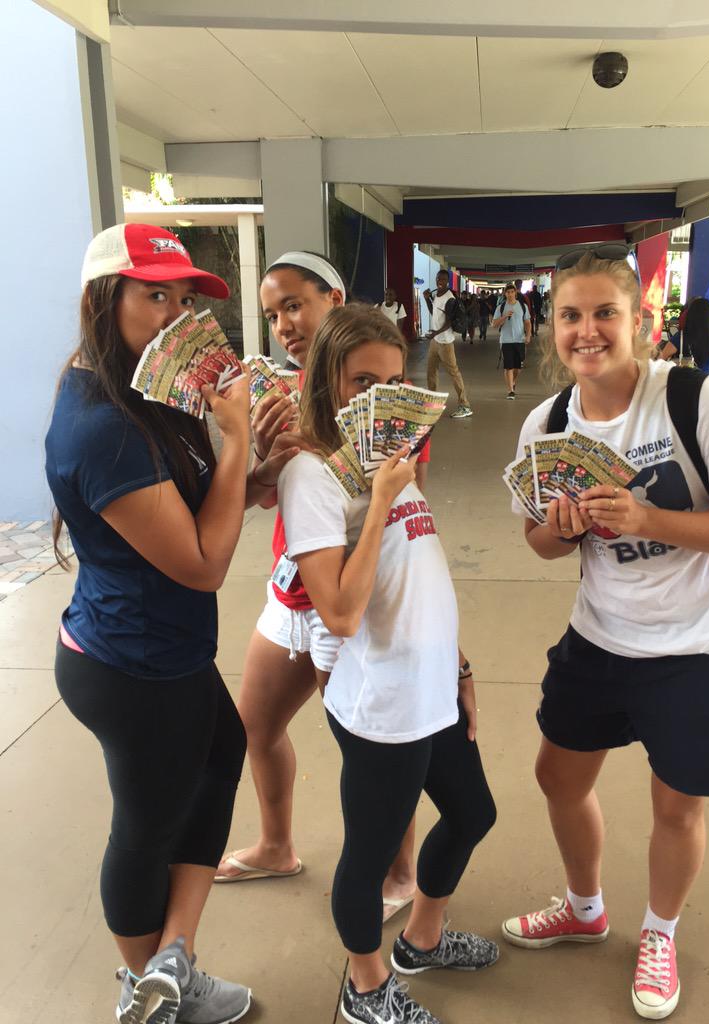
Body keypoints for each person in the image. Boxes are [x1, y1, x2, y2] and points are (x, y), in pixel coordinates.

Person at [502, 247, 709, 1021]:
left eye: (604, 313)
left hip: (700, 644)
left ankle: (659, 932)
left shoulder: (700, 401)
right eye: (571, 316)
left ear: (639, 321)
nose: (587, 331)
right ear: (552, 328)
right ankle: (585, 908)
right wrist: (561, 530)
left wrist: (650, 518)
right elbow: (538, 544)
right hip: (602, 634)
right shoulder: (547, 423)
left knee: (676, 806)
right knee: (559, 777)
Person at [45, 223, 298, 1024]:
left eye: (182, 298)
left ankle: (170, 962)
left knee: (222, 753)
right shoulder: (104, 426)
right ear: (101, 301)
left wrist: (261, 466)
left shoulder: (145, 395)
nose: (173, 317)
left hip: (166, 652)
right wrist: (232, 440)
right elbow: (202, 563)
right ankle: (147, 988)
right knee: (147, 829)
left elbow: (201, 507)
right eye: (153, 294)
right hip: (134, 666)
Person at [279, 304, 498, 1024]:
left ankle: (422, 939)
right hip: (381, 703)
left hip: (432, 682)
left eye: (397, 379)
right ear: (328, 383)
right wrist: (376, 504)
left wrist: (460, 667)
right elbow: (339, 611)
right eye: (362, 382)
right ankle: (363, 985)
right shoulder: (313, 475)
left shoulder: (398, 455)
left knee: (472, 812)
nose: (382, 397)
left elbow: (419, 572)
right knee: (370, 855)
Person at [216, 252, 428, 924]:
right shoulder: (278, 394)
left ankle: (401, 873)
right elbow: (257, 502)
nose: (283, 324)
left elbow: (404, 513)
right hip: (290, 593)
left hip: (349, 606)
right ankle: (277, 844)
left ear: (332, 297)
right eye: (272, 313)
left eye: (294, 305)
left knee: (374, 755)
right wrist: (265, 458)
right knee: (254, 725)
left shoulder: (385, 396)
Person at [424, 270, 473, 419]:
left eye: (443, 279)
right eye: (438, 278)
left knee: (454, 373)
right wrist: (427, 299)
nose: (440, 281)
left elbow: (449, 323)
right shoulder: (436, 294)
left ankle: (465, 406)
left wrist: (435, 333)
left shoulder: (450, 298)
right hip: (435, 342)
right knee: (431, 372)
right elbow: (435, 313)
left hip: (445, 342)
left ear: (448, 281)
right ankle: (433, 403)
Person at [659, 296, 709, 375]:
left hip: (681, 382)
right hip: (704, 384)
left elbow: (661, 359)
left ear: (690, 315)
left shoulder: (681, 337)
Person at [493, 282, 531, 399]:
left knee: (518, 368)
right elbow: (494, 324)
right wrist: (504, 316)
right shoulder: (501, 308)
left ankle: (513, 381)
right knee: (508, 366)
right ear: (505, 294)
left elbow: (527, 322)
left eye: (512, 292)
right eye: (508, 292)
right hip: (506, 340)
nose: (510, 294)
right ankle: (510, 391)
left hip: (519, 340)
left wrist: (528, 334)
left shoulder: (522, 306)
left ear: (515, 293)